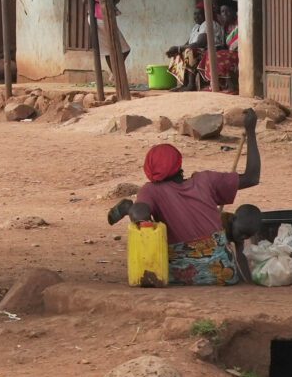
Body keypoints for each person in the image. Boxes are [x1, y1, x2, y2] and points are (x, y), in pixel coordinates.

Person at [112, 112, 262, 285]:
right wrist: (251, 131)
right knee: (234, 220)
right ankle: (243, 272)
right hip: (222, 273)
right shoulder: (205, 180)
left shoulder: (151, 191)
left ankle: (126, 207)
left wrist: (132, 209)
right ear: (179, 164)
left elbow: (139, 215)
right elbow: (252, 177)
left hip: (179, 274)